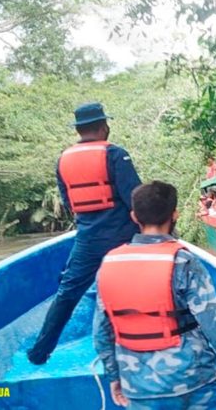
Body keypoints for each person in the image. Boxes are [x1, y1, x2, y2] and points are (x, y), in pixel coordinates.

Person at [94, 181, 216, 409]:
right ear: (174, 214)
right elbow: (215, 326)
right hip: (193, 381)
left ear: (135, 217)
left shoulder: (110, 262)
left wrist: (114, 377)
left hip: (138, 387)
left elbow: (101, 333)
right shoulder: (183, 261)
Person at [27, 102, 142, 365]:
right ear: (104, 127)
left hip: (88, 238)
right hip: (124, 237)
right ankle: (137, 344)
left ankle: (40, 352)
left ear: (79, 130)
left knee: (67, 293)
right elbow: (135, 199)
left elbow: (70, 204)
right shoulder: (116, 154)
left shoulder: (63, 160)